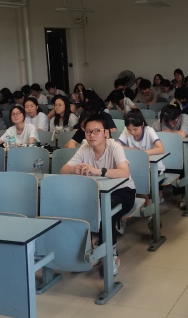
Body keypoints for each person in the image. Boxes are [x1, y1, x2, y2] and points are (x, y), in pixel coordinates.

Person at [60, 114, 135, 276]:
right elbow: (63, 170)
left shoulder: (114, 147)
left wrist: (98, 171)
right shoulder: (84, 148)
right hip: (96, 194)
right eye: (88, 132)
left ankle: (111, 254)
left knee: (105, 212)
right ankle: (92, 251)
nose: (92, 135)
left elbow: (124, 172)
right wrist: (73, 169)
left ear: (106, 133)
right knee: (77, 209)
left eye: (96, 131)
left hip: (123, 192)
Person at [118, 110, 165, 176]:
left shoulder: (149, 130)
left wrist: (142, 153)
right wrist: (133, 149)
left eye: (135, 129)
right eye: (129, 129)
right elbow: (117, 146)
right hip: (137, 167)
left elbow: (161, 149)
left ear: (142, 124)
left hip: (154, 168)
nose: (132, 132)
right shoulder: (126, 130)